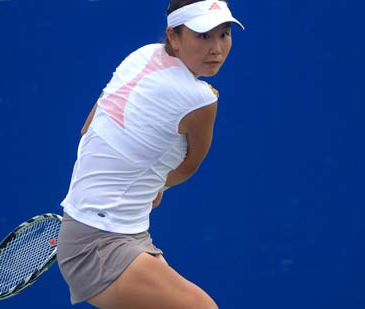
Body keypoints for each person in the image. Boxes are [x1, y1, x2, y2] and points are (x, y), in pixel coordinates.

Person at [57, 0, 244, 308]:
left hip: (108, 229)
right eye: (203, 35)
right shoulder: (200, 100)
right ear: (174, 36)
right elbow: (189, 164)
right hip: (99, 244)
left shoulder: (141, 56)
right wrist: (159, 184)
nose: (216, 48)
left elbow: (88, 128)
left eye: (223, 34)